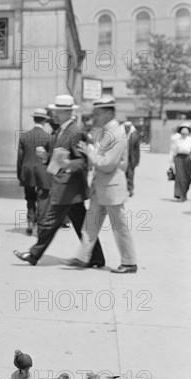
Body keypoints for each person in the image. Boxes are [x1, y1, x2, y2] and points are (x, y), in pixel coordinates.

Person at [14, 94, 105, 267]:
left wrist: (67, 163)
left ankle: (34, 255)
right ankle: (97, 258)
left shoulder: (75, 132)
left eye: (58, 111)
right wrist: (46, 157)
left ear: (67, 112)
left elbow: (83, 161)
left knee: (50, 222)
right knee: (80, 225)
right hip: (67, 187)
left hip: (68, 187)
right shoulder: (61, 131)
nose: (54, 114)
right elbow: (57, 158)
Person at [69, 98, 138, 274]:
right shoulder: (107, 132)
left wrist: (89, 152)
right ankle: (84, 257)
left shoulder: (116, 134)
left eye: (97, 114)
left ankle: (129, 262)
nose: (94, 118)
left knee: (119, 226)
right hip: (101, 187)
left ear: (109, 113)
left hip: (112, 187)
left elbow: (107, 163)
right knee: (90, 225)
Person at [17, 108, 52, 235]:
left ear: (34, 119)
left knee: (30, 198)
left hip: (27, 171)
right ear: (45, 121)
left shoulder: (24, 136)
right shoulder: (49, 137)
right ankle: (41, 225)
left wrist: (20, 174)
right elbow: (50, 157)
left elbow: (20, 158)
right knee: (42, 198)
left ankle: (31, 221)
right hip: (43, 172)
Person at [169, 122, 191, 201]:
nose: (184, 133)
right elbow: (172, 150)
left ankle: (184, 193)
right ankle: (179, 194)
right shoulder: (176, 140)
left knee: (187, 177)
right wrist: (171, 162)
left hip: (187, 158)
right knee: (179, 176)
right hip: (178, 158)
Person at [123, 120, 140, 197]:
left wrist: (137, 160)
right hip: (123, 160)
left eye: (128, 127)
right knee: (123, 176)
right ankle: (124, 190)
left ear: (130, 128)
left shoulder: (134, 136)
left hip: (131, 160)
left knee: (131, 175)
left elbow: (137, 149)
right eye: (125, 127)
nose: (127, 129)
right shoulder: (121, 136)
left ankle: (131, 190)